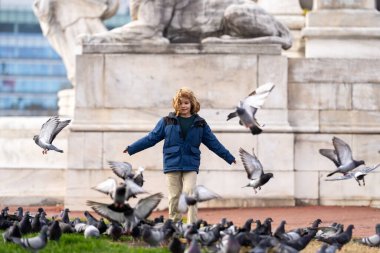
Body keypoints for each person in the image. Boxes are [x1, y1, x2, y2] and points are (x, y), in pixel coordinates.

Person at [123, 87, 236, 224]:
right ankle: (174, 225)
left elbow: (213, 143)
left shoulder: (200, 123)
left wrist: (229, 157)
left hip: (191, 164)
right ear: (176, 104)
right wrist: (132, 148)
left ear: (192, 104)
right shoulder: (166, 121)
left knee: (191, 194)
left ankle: (191, 225)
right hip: (172, 163)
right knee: (174, 196)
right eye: (181, 103)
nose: (184, 106)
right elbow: (151, 139)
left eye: (186, 103)